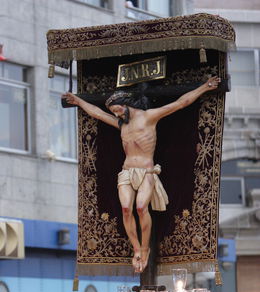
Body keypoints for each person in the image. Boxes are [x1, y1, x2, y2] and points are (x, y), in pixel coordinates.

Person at [63, 76, 220, 273]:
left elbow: (180, 103)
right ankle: (136, 249)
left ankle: (145, 248)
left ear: (127, 104)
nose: (116, 113)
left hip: (146, 171)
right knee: (126, 208)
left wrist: (204, 87)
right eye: (113, 111)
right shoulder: (121, 124)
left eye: (118, 108)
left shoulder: (148, 117)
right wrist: (78, 101)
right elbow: (97, 114)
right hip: (127, 172)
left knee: (140, 208)